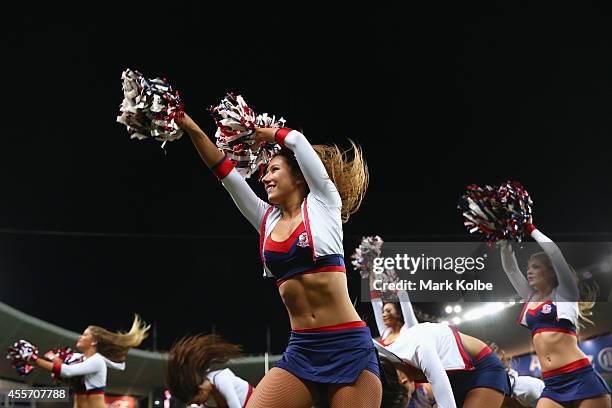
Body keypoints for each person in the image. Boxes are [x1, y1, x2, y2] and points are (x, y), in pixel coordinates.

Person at [177, 113, 379, 408]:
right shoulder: (265, 220)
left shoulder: (324, 203)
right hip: (302, 349)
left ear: (298, 175)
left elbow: (296, 140)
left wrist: (259, 132)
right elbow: (222, 171)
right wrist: (189, 125)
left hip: (348, 346)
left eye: (273, 169)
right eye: (265, 172)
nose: (265, 177)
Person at [499, 221, 611, 407]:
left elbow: (554, 253)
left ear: (551, 272)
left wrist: (532, 230)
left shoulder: (566, 294)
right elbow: (511, 269)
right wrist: (504, 244)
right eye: (529, 267)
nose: (529, 271)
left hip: (580, 376)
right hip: (552, 383)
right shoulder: (531, 297)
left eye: (535, 267)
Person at [33, 315, 149, 408]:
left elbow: (67, 371)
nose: (80, 337)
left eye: (85, 335)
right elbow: (63, 371)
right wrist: (53, 361)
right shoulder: (78, 359)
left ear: (94, 342)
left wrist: (35, 360)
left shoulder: (97, 361)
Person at [165, 334, 253, 408]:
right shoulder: (206, 401)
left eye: (197, 401)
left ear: (201, 390)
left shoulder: (221, 380)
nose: (198, 404)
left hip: (257, 400)